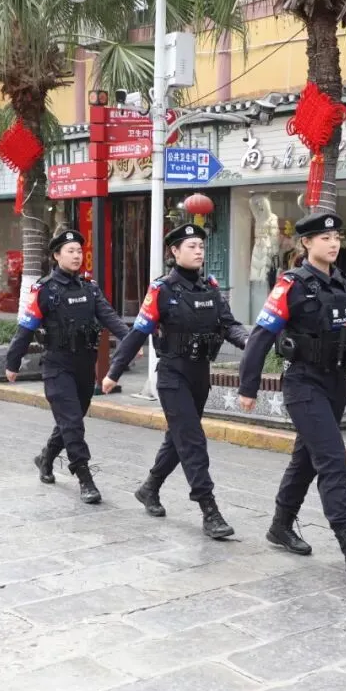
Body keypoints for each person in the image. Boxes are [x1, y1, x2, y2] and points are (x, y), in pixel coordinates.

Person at [237, 210, 346, 576]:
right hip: (303, 383)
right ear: (306, 243)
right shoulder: (291, 285)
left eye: (336, 238)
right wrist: (248, 386)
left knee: (306, 459)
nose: (334, 243)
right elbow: (261, 336)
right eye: (325, 238)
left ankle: (280, 525)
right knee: (332, 459)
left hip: (335, 382)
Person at [101, 223, 249, 540]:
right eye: (191, 246)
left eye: (201, 246)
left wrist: (251, 343)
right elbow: (138, 333)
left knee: (178, 438)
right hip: (172, 376)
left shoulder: (210, 287)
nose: (198, 251)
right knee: (192, 440)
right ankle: (209, 509)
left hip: (200, 376)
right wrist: (115, 370)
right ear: (174, 251)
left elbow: (229, 325)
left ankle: (150, 488)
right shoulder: (162, 290)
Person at [4, 230, 130, 505]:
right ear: (56, 255)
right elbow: (25, 328)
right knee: (72, 422)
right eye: (70, 251)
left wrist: (129, 339)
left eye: (78, 251)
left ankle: (45, 458)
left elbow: (108, 315)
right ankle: (85, 478)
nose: (76, 256)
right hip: (57, 365)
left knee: (71, 420)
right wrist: (13, 362)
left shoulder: (89, 287)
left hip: (84, 364)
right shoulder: (45, 290)